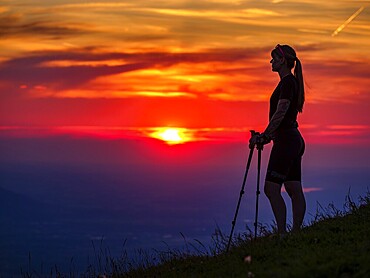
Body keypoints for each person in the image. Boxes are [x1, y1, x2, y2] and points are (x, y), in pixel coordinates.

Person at [250, 44, 306, 235]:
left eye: (274, 58)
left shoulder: (287, 83)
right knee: (292, 187)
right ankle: (295, 232)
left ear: (282, 61)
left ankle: (282, 234)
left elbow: (281, 111)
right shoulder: (291, 82)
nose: (271, 61)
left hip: (286, 141)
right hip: (293, 139)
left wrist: (266, 135)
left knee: (271, 189)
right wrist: (268, 136)